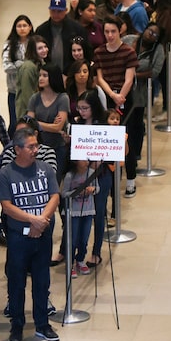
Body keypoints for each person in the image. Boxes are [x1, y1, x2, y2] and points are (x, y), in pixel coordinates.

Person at [0, 127, 60, 341]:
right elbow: (6, 206)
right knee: (17, 282)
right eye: (31, 146)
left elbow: (54, 196)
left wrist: (41, 220)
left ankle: (42, 324)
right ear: (17, 150)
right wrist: (32, 220)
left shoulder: (45, 169)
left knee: (42, 281)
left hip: (42, 234)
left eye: (36, 145)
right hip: (18, 237)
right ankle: (17, 325)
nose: (36, 150)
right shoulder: (5, 174)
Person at [93, 15, 139, 198]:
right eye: (106, 32)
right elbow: (100, 78)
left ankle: (131, 179)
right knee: (109, 140)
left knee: (127, 139)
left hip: (126, 99)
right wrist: (112, 95)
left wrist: (121, 96)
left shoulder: (128, 52)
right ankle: (111, 181)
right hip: (107, 98)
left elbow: (129, 79)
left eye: (113, 31)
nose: (110, 35)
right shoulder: (99, 52)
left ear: (120, 30)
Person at [73, 89, 112, 267]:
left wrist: (99, 161)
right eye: (79, 108)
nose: (81, 112)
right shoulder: (76, 125)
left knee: (98, 212)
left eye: (85, 108)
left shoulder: (104, 126)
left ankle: (96, 251)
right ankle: (75, 250)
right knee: (76, 214)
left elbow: (111, 152)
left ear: (94, 108)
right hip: (80, 174)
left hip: (101, 174)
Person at [27, 62, 70, 184]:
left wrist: (36, 123)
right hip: (38, 148)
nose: (41, 78)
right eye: (40, 75)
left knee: (54, 183)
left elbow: (58, 127)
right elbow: (28, 125)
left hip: (57, 148)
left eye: (45, 75)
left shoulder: (62, 98)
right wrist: (48, 125)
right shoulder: (34, 98)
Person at [130, 23, 165, 160]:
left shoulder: (158, 50)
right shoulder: (130, 40)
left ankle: (136, 153)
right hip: (123, 90)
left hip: (141, 92)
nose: (151, 34)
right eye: (150, 31)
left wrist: (134, 76)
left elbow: (154, 72)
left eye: (155, 34)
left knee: (137, 122)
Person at [62, 158, 98, 278]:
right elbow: (64, 193)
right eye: (82, 160)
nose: (86, 162)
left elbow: (97, 188)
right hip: (74, 212)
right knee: (72, 239)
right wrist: (78, 192)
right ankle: (70, 263)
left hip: (88, 210)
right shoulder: (70, 176)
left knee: (84, 239)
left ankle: (80, 259)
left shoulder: (91, 173)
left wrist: (92, 190)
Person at [35, 0, 88, 74]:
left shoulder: (77, 29)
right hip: (48, 74)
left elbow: (85, 51)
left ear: (66, 10)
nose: (56, 14)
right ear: (49, 10)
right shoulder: (41, 30)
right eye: (53, 11)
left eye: (59, 11)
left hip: (72, 73)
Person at [2, 15, 34, 137]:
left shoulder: (35, 43)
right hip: (14, 90)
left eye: (25, 25)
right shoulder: (9, 45)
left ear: (30, 27)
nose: (22, 29)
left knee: (31, 122)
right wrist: (24, 65)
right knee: (15, 122)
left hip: (32, 90)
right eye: (19, 26)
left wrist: (18, 64)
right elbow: (6, 67)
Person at [15, 35, 49, 119]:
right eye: (40, 48)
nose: (44, 50)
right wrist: (35, 112)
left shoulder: (41, 64)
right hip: (28, 113)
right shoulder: (28, 67)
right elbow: (27, 94)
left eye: (45, 46)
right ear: (33, 50)